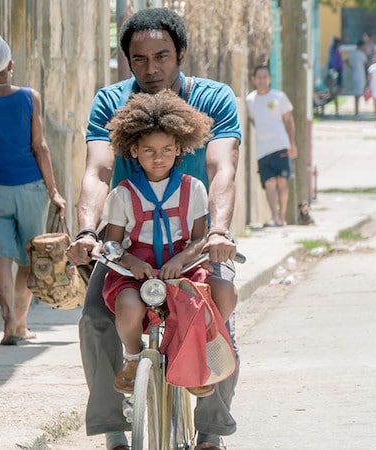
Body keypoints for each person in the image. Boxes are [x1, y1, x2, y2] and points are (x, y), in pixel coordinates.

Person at [65, 8, 241, 450]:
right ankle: (113, 432)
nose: (151, 68)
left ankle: (210, 434)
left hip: (196, 246)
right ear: (127, 61)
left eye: (162, 56)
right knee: (94, 320)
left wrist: (217, 232)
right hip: (130, 249)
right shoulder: (110, 102)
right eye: (139, 60)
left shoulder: (215, 99)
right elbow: (97, 171)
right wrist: (87, 232)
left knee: (219, 316)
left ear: (180, 54)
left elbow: (223, 167)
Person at [99, 90, 237, 400]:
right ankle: (133, 359)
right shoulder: (123, 193)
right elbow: (112, 243)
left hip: (183, 263)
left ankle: (194, 354)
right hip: (136, 268)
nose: (158, 157)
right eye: (148, 150)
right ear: (133, 150)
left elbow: (200, 237)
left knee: (211, 298)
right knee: (129, 305)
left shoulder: (194, 188)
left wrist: (182, 259)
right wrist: (133, 264)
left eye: (166, 149)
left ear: (179, 148)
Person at [0, 36, 67, 345]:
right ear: (10, 65)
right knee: (27, 259)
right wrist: (54, 191)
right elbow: (40, 146)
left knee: (1, 258)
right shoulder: (29, 97)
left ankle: (8, 318)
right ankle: (20, 324)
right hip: (31, 188)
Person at [245, 65, 296, 227]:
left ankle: (282, 216)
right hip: (263, 149)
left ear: (270, 79)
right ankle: (274, 215)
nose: (262, 80)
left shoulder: (279, 97)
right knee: (269, 184)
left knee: (282, 182)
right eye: (258, 77)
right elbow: (252, 121)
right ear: (253, 79)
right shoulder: (250, 100)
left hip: (280, 145)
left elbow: (289, 120)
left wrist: (292, 143)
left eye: (265, 77)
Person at [346, 40, 369, 116]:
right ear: (360, 46)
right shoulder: (361, 54)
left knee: (356, 93)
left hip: (354, 74)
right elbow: (366, 63)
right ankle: (357, 111)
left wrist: (351, 66)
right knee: (358, 93)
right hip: (360, 75)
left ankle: (356, 110)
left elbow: (346, 61)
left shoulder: (352, 53)